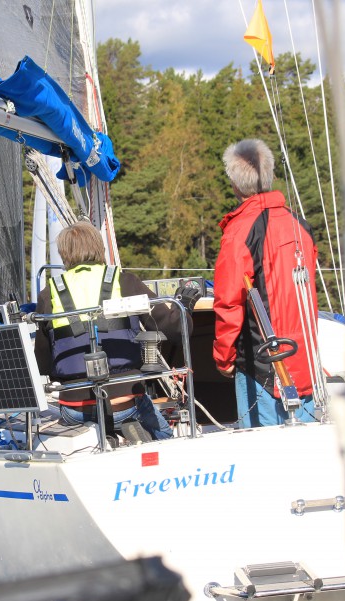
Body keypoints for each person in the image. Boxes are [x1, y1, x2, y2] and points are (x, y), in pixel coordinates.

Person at [34, 220, 197, 441]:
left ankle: (108, 440)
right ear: (99, 248)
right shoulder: (125, 282)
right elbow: (173, 329)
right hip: (125, 404)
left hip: (74, 409)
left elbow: (43, 362)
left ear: (64, 254)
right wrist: (184, 304)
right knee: (165, 435)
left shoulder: (49, 292)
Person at [212, 138, 319, 428]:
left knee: (265, 456)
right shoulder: (300, 226)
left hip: (261, 366)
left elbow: (227, 303)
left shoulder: (239, 232)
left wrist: (224, 359)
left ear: (234, 184)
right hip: (306, 362)